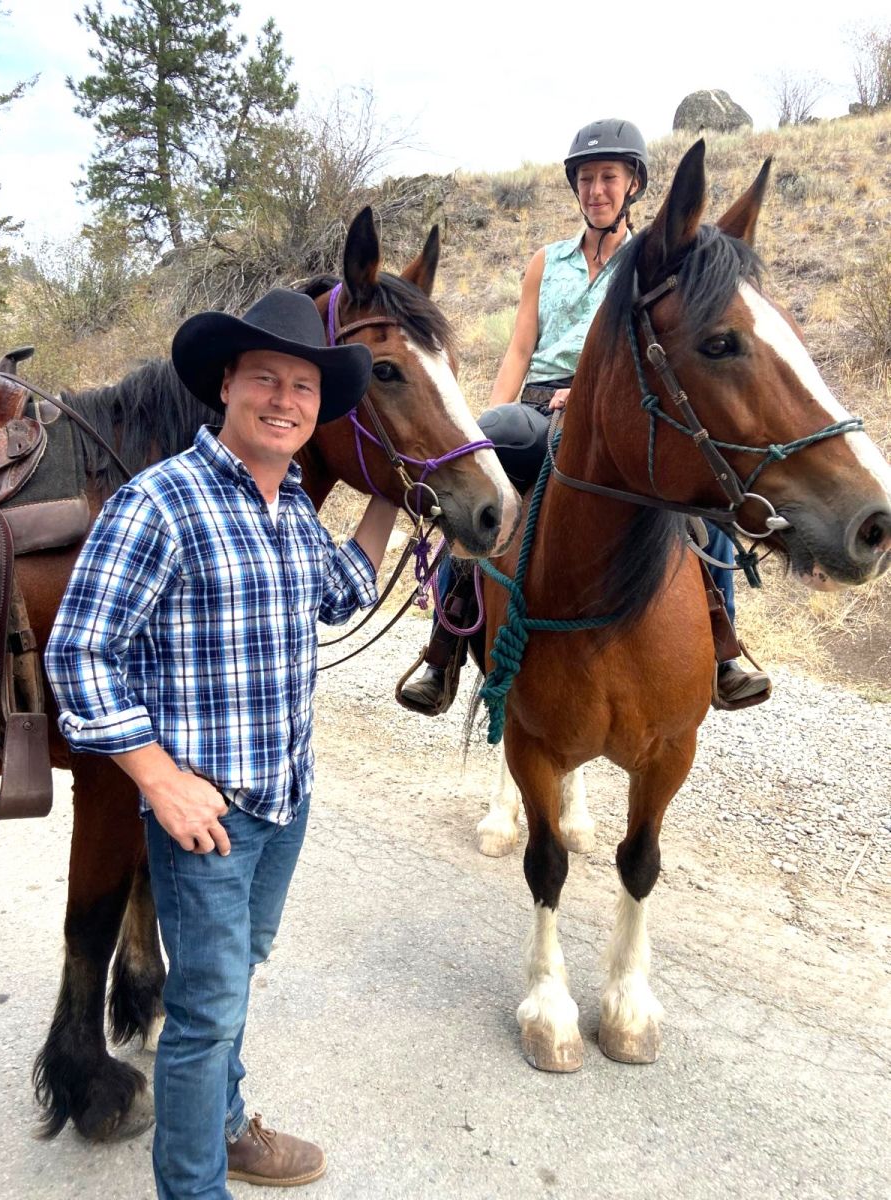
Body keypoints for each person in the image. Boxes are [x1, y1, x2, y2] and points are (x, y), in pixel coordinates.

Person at [45, 289, 399, 1199]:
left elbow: (340, 590)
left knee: (232, 978)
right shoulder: (160, 502)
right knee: (204, 1017)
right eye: (266, 380)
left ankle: (228, 1123)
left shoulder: (288, 511)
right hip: (207, 814)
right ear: (226, 387)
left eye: (304, 388)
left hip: (287, 798)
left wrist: (395, 501)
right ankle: (195, 1184)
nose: (286, 401)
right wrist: (157, 779)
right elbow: (79, 652)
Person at [397, 118, 770, 715]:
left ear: (634, 185)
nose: (597, 189)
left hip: (615, 408)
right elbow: (521, 347)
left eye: (610, 178)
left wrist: (595, 393)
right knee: (473, 473)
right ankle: (443, 648)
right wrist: (496, 413)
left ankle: (722, 646)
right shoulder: (546, 262)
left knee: (704, 491)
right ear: (576, 187)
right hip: (540, 407)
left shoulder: (651, 262)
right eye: (587, 178)